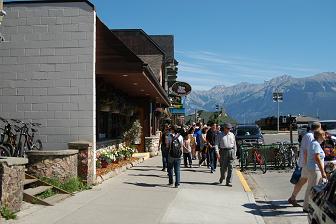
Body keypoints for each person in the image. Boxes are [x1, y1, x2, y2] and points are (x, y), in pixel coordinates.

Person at [288, 122, 321, 207]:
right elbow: (307, 151)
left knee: (302, 180)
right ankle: (308, 203)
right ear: (318, 128)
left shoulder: (307, 135)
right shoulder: (311, 136)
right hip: (308, 163)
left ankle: (293, 197)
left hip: (305, 163)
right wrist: (307, 164)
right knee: (311, 183)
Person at [303, 129, 327, 212]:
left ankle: (306, 206)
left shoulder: (314, 143)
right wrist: (323, 171)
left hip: (312, 168)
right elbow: (317, 158)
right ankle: (308, 207)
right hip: (315, 169)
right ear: (319, 136)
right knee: (313, 188)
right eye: (323, 135)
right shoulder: (316, 144)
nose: (325, 137)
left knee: (310, 187)